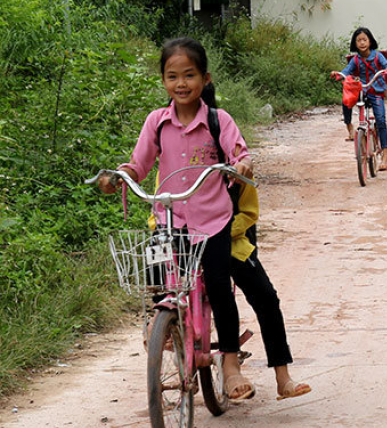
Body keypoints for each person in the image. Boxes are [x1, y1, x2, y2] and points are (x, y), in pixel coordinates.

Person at [97, 37, 278, 401]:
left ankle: (229, 364)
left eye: (189, 75)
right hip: (170, 217)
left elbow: (239, 152)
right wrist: (119, 175)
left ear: (205, 79)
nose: (181, 83)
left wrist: (241, 163)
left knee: (219, 286)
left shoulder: (218, 120)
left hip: (212, 220)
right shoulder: (157, 122)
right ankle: (163, 319)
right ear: (163, 81)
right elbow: (139, 163)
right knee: (155, 271)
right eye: (172, 76)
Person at [229, 181, 311, 400]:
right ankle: (162, 330)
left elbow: (248, 213)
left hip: (231, 242)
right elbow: (160, 209)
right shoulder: (175, 159)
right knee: (163, 281)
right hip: (186, 242)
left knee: (266, 297)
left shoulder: (239, 166)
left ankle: (282, 377)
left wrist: (221, 233)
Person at [332, 27, 387, 171]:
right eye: (358, 40)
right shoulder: (355, 59)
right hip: (361, 91)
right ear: (355, 43)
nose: (362, 43)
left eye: (364, 40)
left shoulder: (378, 56)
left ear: (370, 41)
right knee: (348, 104)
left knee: (381, 120)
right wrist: (339, 74)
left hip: (376, 91)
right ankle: (354, 131)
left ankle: (385, 157)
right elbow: (347, 71)